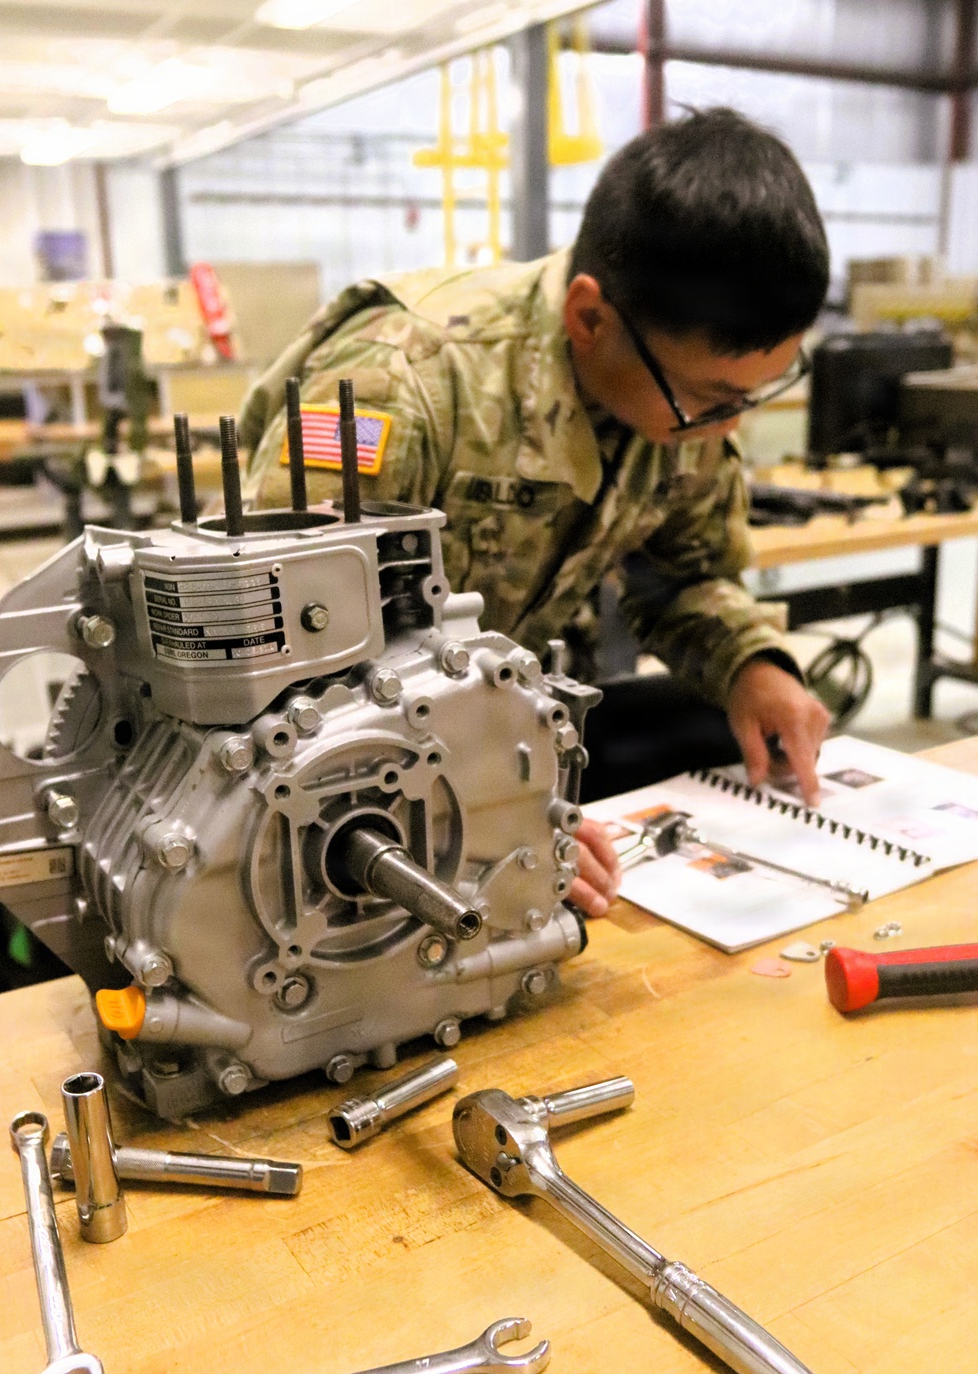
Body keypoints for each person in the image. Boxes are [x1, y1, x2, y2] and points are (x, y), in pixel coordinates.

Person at [240, 107, 832, 920]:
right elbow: (272, 669)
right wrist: (482, 814)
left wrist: (751, 666)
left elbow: (687, 576)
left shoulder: (668, 388)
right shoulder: (401, 380)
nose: (725, 429)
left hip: (496, 742)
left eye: (753, 397)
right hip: (345, 790)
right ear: (590, 319)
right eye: (711, 401)